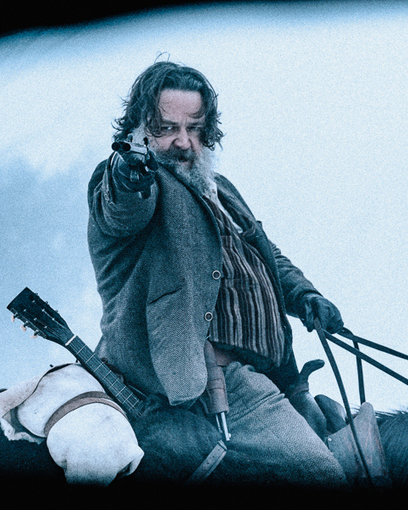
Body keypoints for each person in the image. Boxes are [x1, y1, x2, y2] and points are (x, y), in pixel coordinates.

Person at [87, 61, 350, 488]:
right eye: (166, 128)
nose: (183, 141)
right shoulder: (131, 180)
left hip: (269, 375)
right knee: (323, 477)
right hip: (208, 386)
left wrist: (306, 297)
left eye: (194, 128)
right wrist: (129, 169)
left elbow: (263, 255)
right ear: (138, 130)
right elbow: (123, 210)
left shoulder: (220, 187)